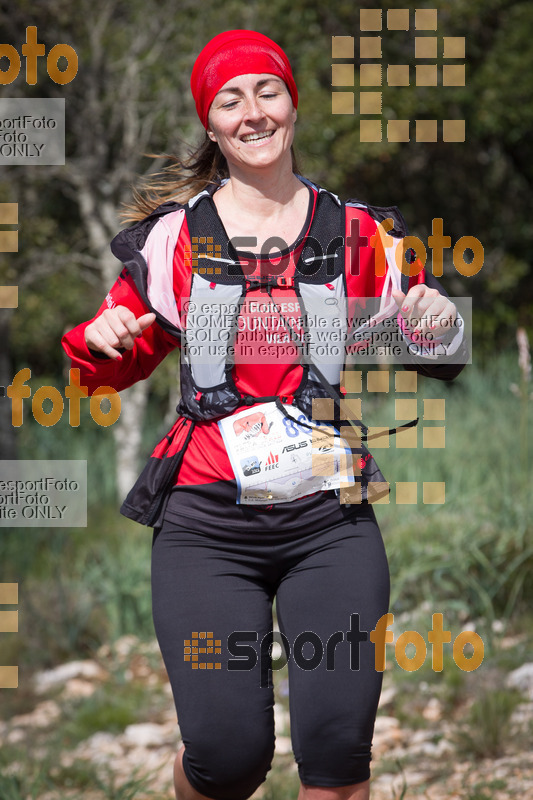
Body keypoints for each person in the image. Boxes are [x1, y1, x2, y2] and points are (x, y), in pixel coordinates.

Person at [62, 30, 467, 800]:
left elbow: (434, 345)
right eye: (229, 99)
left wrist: (440, 321)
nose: (253, 112)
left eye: (267, 91)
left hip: (329, 519)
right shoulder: (175, 240)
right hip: (207, 525)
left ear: (292, 104)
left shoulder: (358, 234)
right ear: (210, 126)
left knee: (338, 756)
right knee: (226, 757)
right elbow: (105, 365)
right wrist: (100, 337)